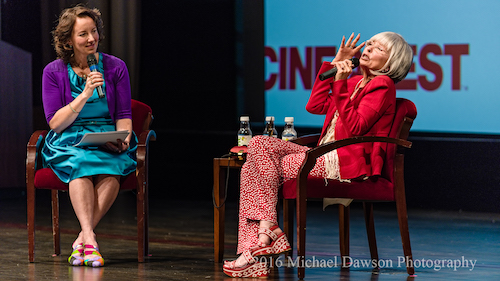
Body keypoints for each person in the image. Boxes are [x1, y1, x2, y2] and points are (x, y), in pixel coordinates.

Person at [222, 32, 413, 278]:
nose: (367, 48)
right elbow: (314, 105)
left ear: (391, 63)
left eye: (378, 49)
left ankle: (254, 252)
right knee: (258, 144)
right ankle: (266, 235)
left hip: (340, 161)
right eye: (370, 43)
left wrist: (341, 83)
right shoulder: (356, 82)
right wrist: (335, 64)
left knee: (253, 168)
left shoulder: (382, 85)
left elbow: (356, 128)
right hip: (322, 152)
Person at [41, 4, 137, 267]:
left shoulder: (115, 67)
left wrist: (124, 138)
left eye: (93, 31)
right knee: (79, 162)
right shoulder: (53, 72)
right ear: (68, 41)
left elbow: (124, 113)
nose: (91, 39)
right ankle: (90, 239)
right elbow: (55, 123)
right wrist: (83, 95)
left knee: (114, 165)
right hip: (69, 137)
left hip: (106, 133)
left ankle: (84, 237)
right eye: (83, 34)